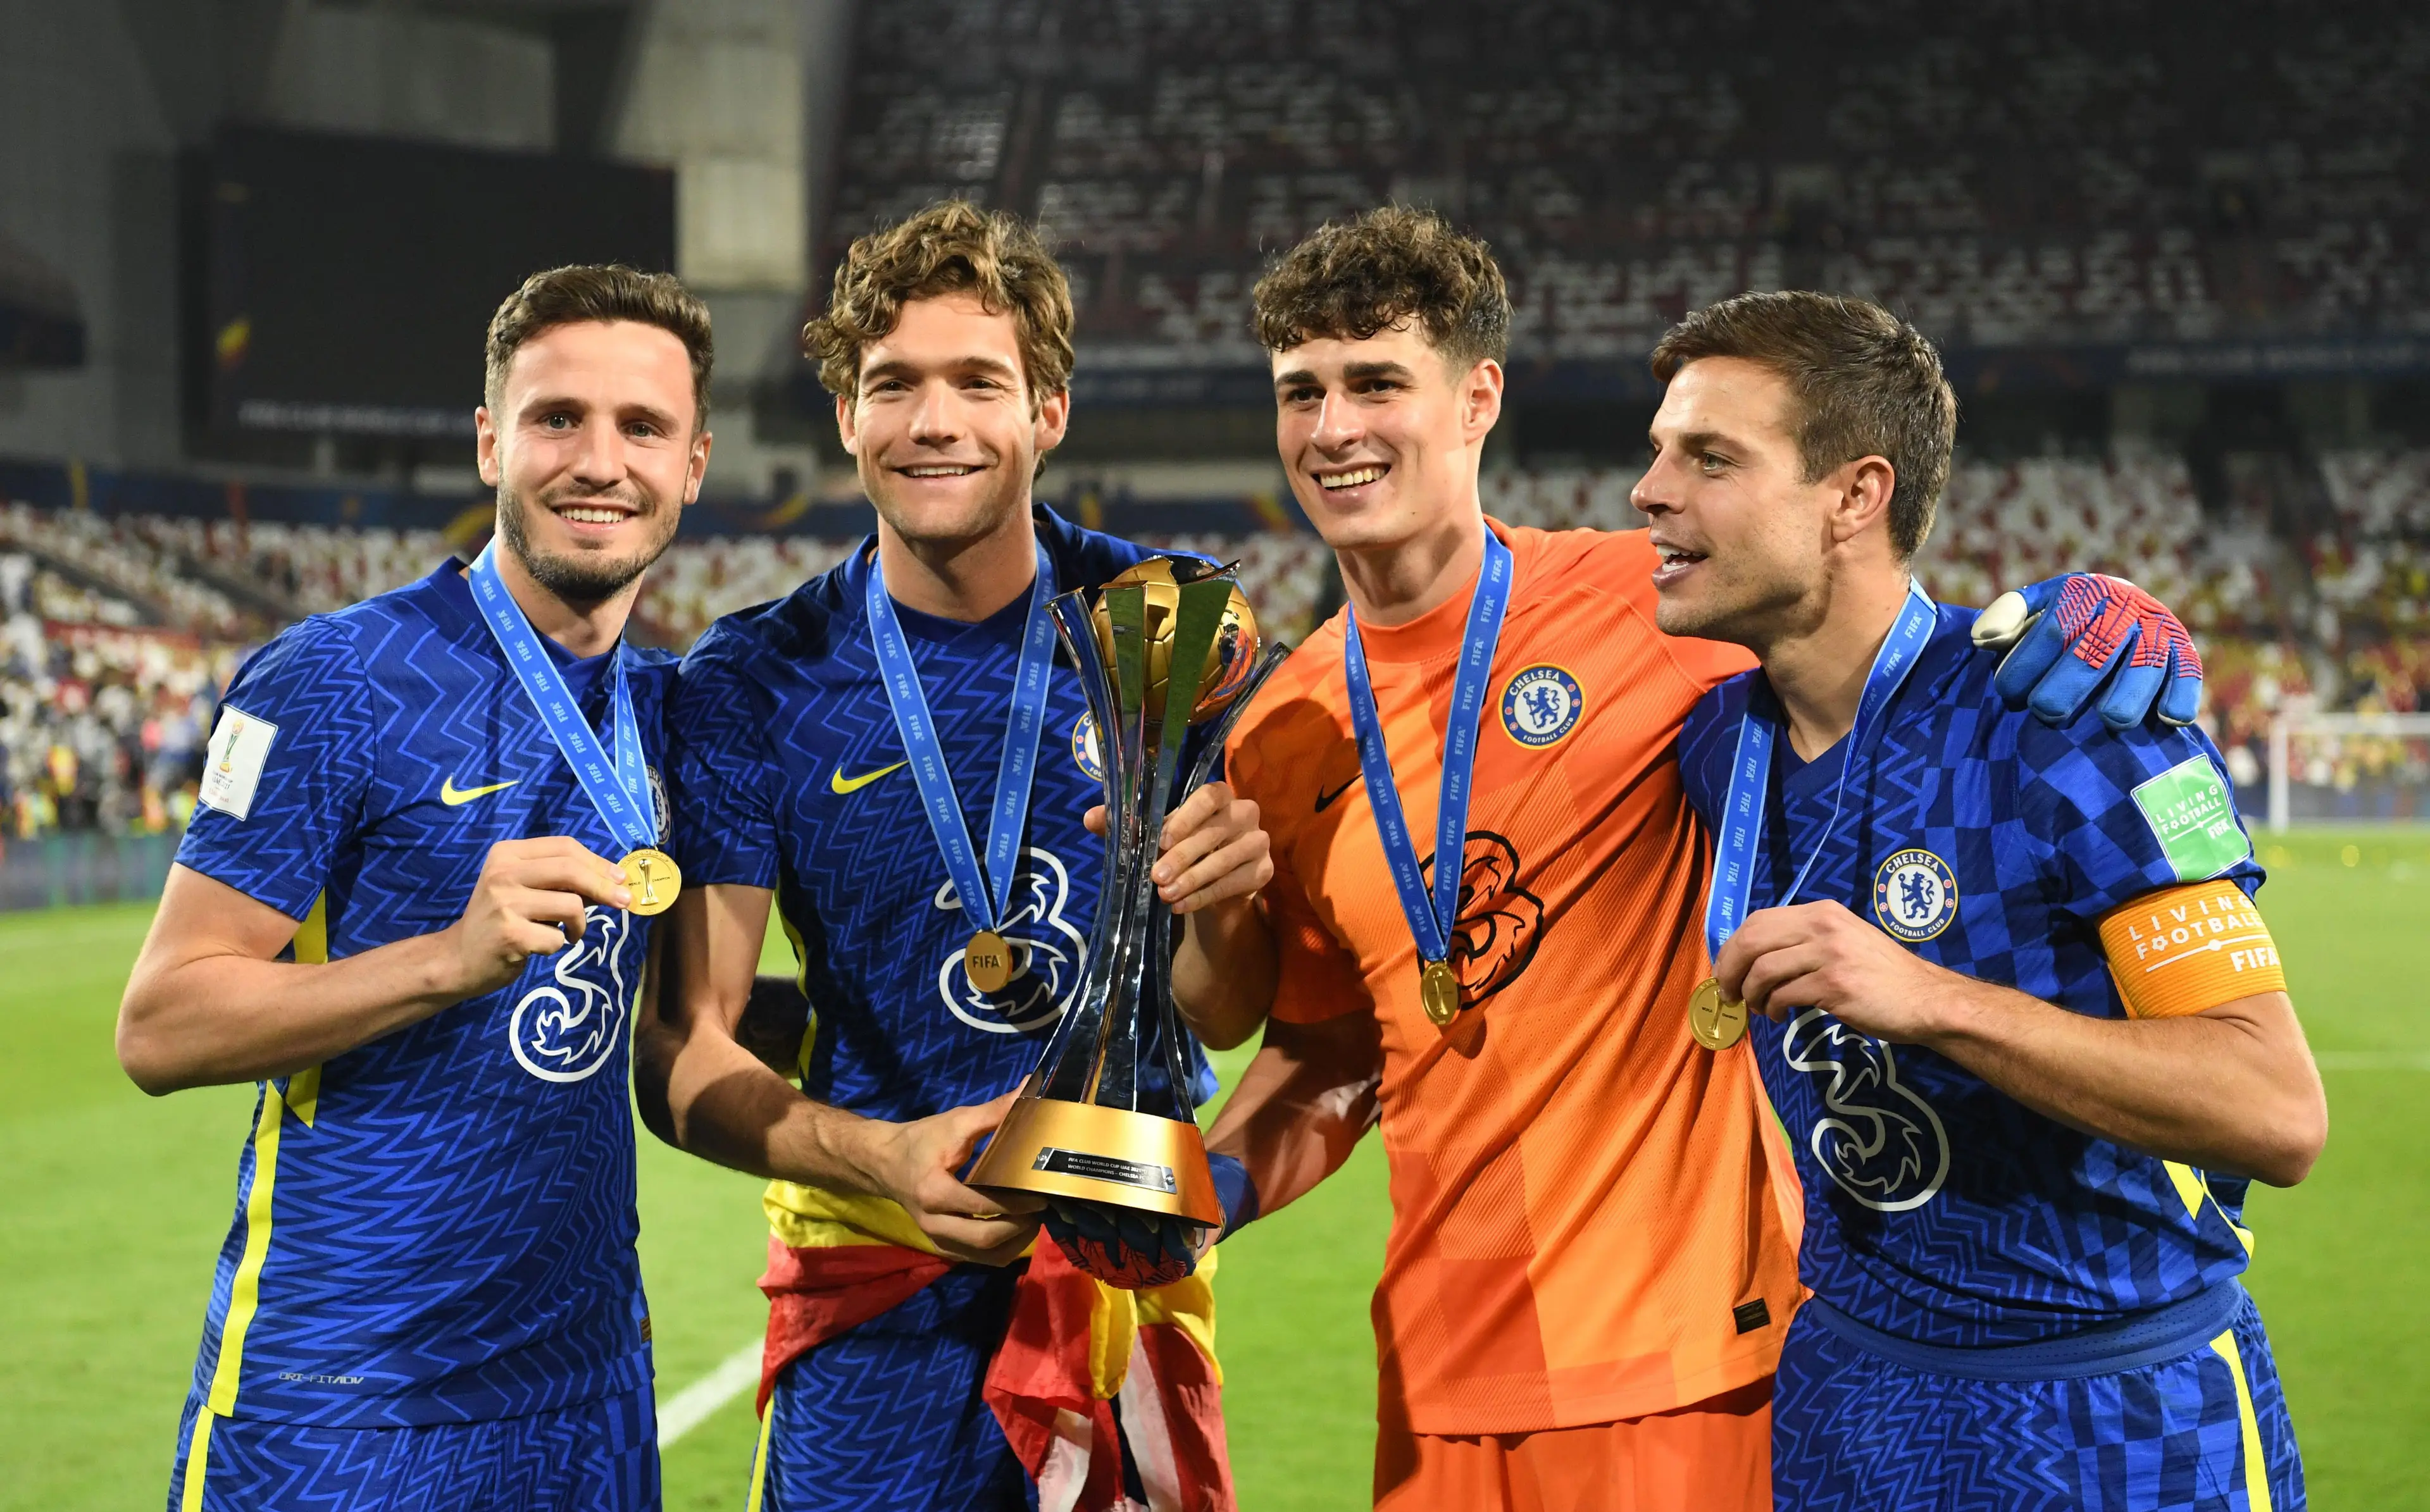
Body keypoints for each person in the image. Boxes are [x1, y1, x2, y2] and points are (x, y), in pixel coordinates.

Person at [1061, 207, 2214, 1512]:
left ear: (1476, 396)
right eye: (1301, 393)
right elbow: (1329, 1056)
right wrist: (1201, 1181)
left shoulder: (1657, 604)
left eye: (1378, 382)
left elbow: (1872, 628)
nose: (1334, 429)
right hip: (1436, 1391)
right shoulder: (1284, 727)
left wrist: (2083, 608)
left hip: (1697, 1370)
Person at [635, 201, 1268, 1512]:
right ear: (847, 421)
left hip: (1121, 1281)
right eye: (893, 386)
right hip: (876, 1304)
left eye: (979, 381)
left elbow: (1224, 1003)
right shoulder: (753, 681)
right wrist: (883, 1157)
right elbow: (682, 1052)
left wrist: (1226, 904)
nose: (933, 422)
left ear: (1048, 411)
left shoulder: (1163, 623)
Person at [1650, 290, 2321, 1509]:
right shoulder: (1712, 743)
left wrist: (1931, 1001)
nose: (1649, 490)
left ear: (1857, 494)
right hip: (1849, 1392)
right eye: (1657, 451)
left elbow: (2273, 1108)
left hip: (2111, 1407)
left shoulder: (2074, 716)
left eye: (1708, 458)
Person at [118, 264, 714, 1511]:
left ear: (693, 464)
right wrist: (448, 957)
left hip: (590, 1393)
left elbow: (670, 1013)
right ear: (491, 439)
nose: (599, 459)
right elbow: (164, 1021)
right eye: (558, 418)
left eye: (641, 426)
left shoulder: (666, 711)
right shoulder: (333, 679)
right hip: (344, 1396)